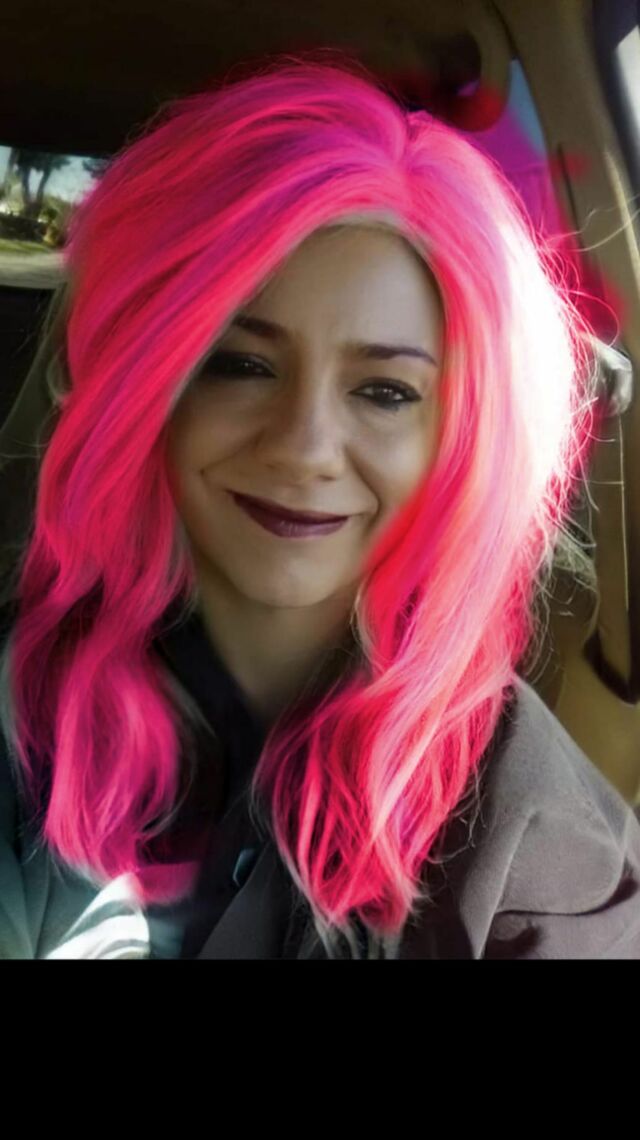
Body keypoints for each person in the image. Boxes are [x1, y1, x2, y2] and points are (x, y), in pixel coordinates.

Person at [1, 55, 639, 960]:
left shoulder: (545, 846)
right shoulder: (21, 706)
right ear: (143, 386)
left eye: (385, 392)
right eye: (241, 365)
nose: (303, 447)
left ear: (462, 439)